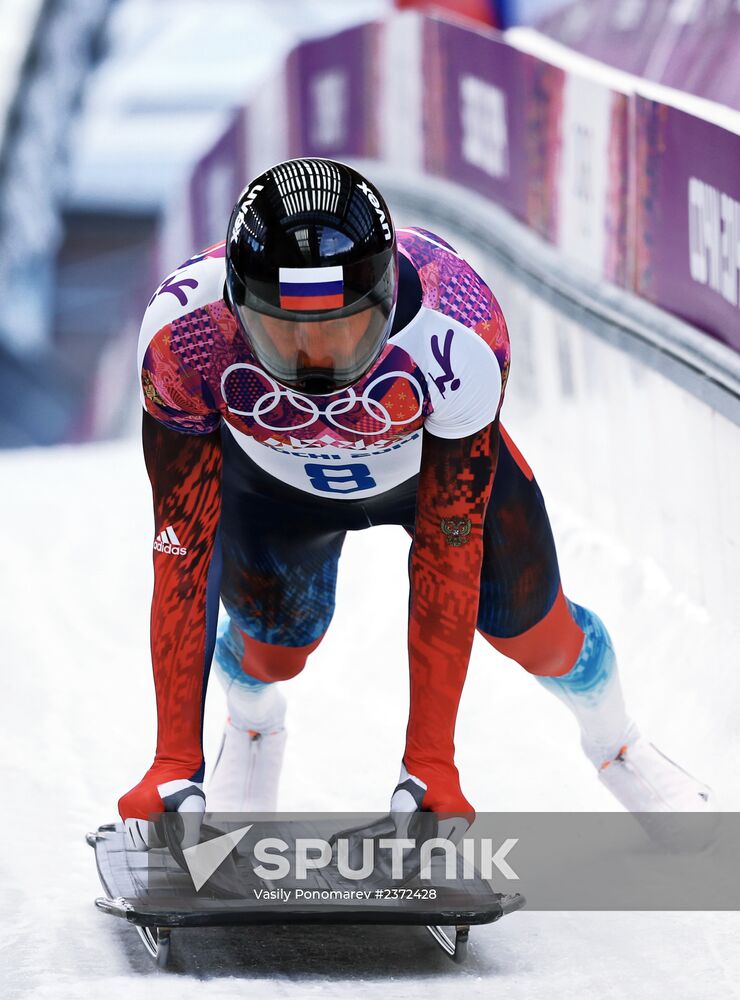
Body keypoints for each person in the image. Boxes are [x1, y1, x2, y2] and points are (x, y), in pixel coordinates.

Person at [118, 157, 715, 848]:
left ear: (383, 301)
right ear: (236, 308)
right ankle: (251, 723)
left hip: (423, 475)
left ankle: (620, 746)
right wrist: (172, 760)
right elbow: (182, 544)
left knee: (537, 632)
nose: (315, 360)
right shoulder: (181, 332)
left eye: (340, 329)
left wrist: (431, 762)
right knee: (275, 648)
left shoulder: (459, 322)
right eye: (286, 331)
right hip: (274, 488)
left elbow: (448, 551)